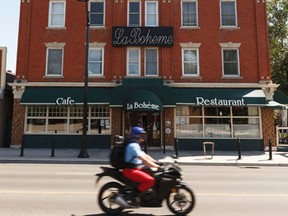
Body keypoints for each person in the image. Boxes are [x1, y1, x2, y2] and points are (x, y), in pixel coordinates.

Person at [122, 126, 160, 195]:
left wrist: (157, 162)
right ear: (136, 136)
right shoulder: (133, 146)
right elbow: (144, 160)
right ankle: (134, 195)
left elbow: (145, 155)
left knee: (150, 171)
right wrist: (157, 167)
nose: (143, 137)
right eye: (141, 135)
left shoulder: (135, 144)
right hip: (130, 170)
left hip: (135, 168)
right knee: (151, 181)